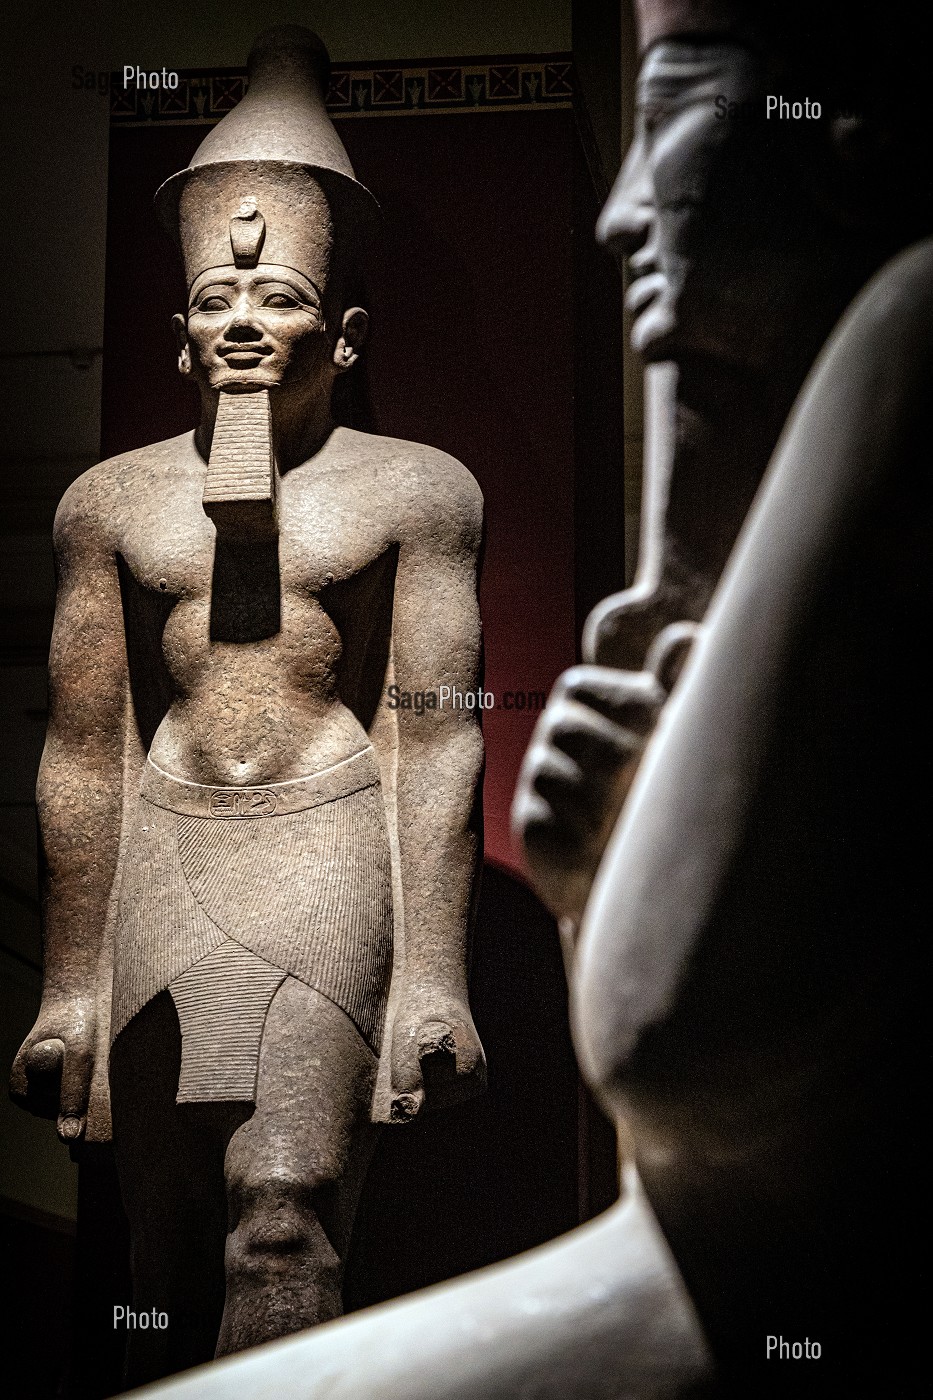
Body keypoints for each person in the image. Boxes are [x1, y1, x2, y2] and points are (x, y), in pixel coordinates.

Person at [10, 26, 485, 1384]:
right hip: (165, 842)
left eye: (274, 299)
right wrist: (65, 989)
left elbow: (438, 722)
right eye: (217, 304)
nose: (239, 324)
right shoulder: (105, 504)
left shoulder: (418, 492)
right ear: (176, 339)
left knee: (282, 1222)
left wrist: (435, 976)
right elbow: (87, 745)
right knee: (159, 1241)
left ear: (341, 331)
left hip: (330, 845)